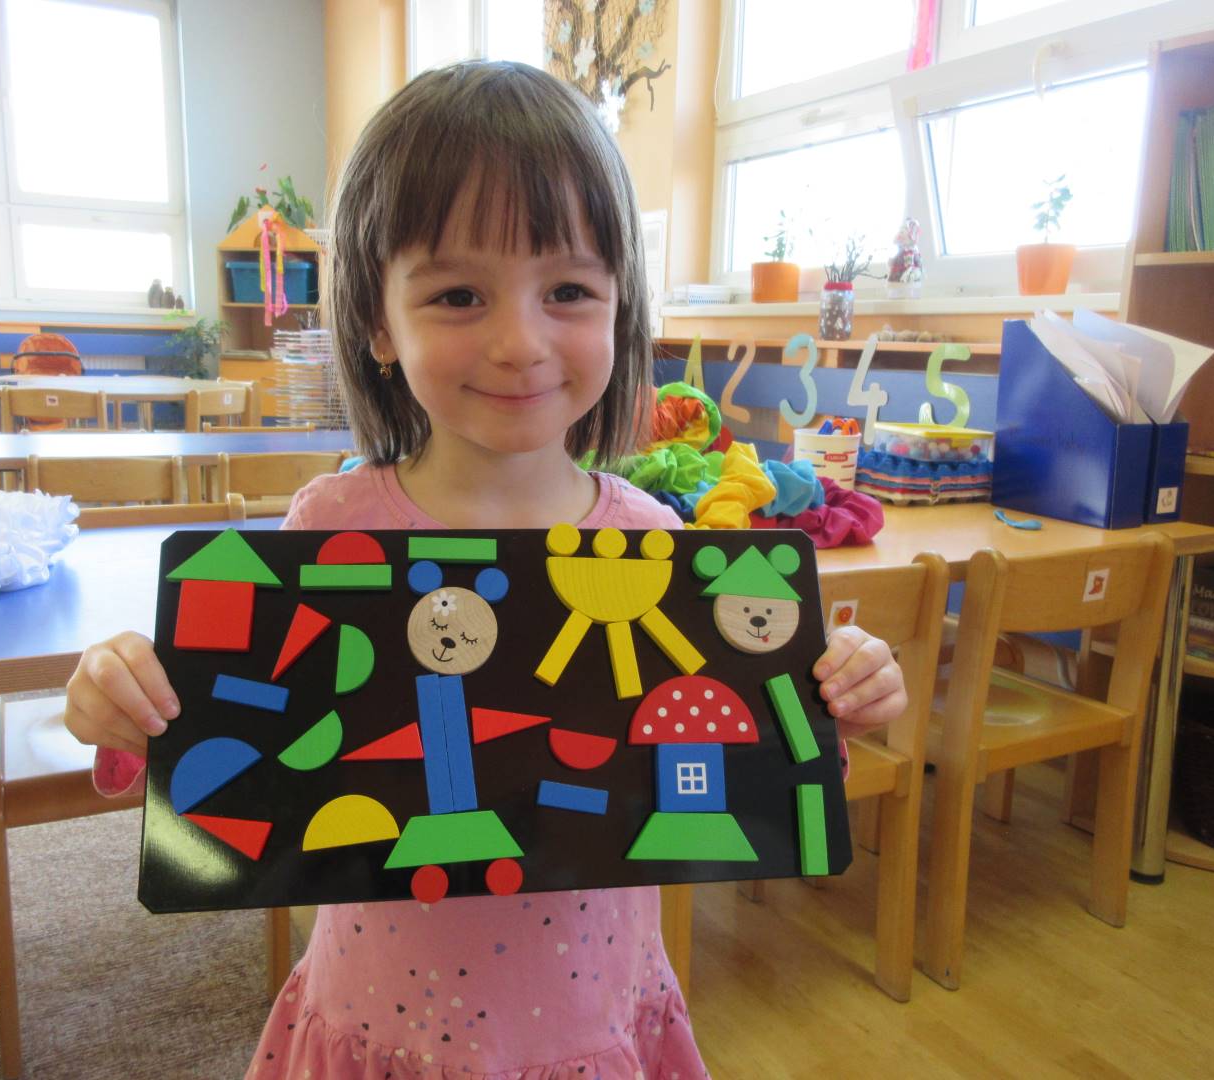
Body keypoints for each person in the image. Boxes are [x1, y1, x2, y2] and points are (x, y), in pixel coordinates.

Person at [65, 61, 907, 1079]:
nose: (521, 343)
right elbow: (229, 751)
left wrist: (835, 698)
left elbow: (748, 775)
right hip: (383, 1027)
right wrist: (127, 709)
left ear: (619, 307)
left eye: (569, 291)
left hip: (592, 1022)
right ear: (378, 323)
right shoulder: (328, 533)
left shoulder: (654, 542)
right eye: (459, 294)